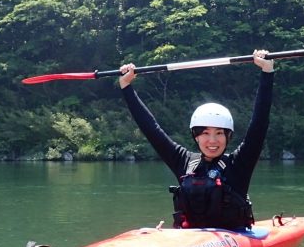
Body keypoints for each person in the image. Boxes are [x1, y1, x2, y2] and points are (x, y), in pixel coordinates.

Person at [118, 50, 275, 230]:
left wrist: (267, 73)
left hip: (232, 241)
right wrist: (126, 86)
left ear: (228, 136)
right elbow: (151, 128)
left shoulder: (239, 164)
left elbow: (259, 123)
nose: (212, 140)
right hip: (187, 241)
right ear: (196, 136)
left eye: (219, 133)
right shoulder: (183, 161)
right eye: (205, 133)